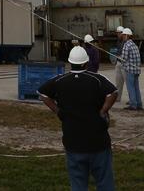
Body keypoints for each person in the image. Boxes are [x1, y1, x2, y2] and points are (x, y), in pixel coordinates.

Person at [38, 45, 118, 191]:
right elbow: (113, 92)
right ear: (86, 63)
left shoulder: (60, 80)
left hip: (73, 144)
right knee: (104, 182)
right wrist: (103, 110)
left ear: (70, 62)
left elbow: (42, 93)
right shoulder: (97, 79)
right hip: (98, 143)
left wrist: (57, 110)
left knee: (78, 184)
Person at [118, 26, 142, 110]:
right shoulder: (134, 45)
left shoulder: (126, 45)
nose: (123, 36)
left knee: (130, 87)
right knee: (136, 87)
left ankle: (133, 105)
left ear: (127, 36)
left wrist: (119, 58)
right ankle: (139, 104)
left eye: (124, 35)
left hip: (130, 70)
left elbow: (123, 59)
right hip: (137, 70)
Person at [111, 31, 127, 103]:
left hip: (124, 64)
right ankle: (117, 98)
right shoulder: (118, 42)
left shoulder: (126, 42)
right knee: (118, 82)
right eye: (117, 33)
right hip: (118, 62)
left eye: (119, 33)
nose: (118, 34)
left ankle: (131, 99)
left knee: (127, 82)